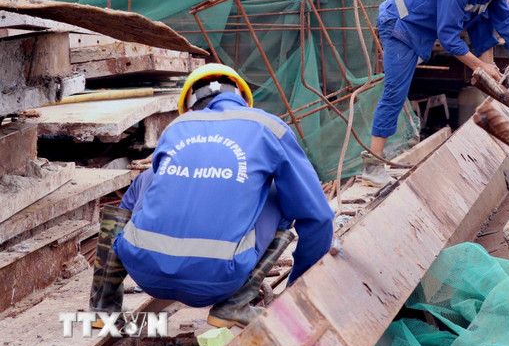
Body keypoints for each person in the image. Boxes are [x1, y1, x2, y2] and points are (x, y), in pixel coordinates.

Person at [89, 63, 334, 328]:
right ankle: (234, 305)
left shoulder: (177, 127)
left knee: (145, 179)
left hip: (143, 270)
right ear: (243, 97)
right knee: (282, 192)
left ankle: (103, 306)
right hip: (220, 278)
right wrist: (298, 292)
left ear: (189, 105)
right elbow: (318, 217)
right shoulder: (267, 127)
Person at [362, 0, 509, 186]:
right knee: (395, 92)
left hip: (427, 23)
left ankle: (492, 79)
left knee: (485, 15)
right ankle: (372, 166)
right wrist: (479, 66)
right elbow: (449, 39)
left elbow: (506, 22)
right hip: (401, 25)